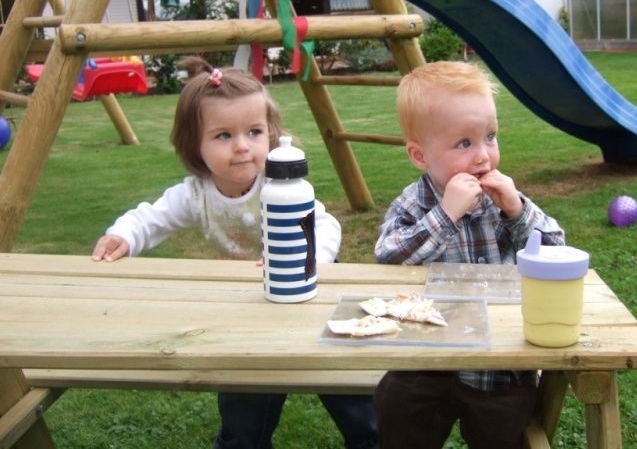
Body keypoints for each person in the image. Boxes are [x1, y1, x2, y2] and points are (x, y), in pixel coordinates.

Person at [92, 57, 378, 449]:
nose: (242, 146)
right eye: (223, 135)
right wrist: (123, 235)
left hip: (313, 291)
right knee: (246, 394)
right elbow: (151, 218)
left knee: (345, 385)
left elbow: (324, 225)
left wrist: (313, 260)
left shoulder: (280, 188)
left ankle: (370, 438)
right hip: (251, 305)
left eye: (254, 132)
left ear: (272, 137)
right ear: (194, 144)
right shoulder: (195, 194)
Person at [373, 61, 565, 449]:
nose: (483, 157)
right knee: (397, 408)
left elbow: (555, 251)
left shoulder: (503, 200)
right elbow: (388, 254)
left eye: (490, 137)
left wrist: (517, 211)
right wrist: (445, 215)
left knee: (504, 431)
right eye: (464, 143)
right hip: (427, 358)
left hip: (497, 363)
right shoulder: (414, 203)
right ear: (419, 155)